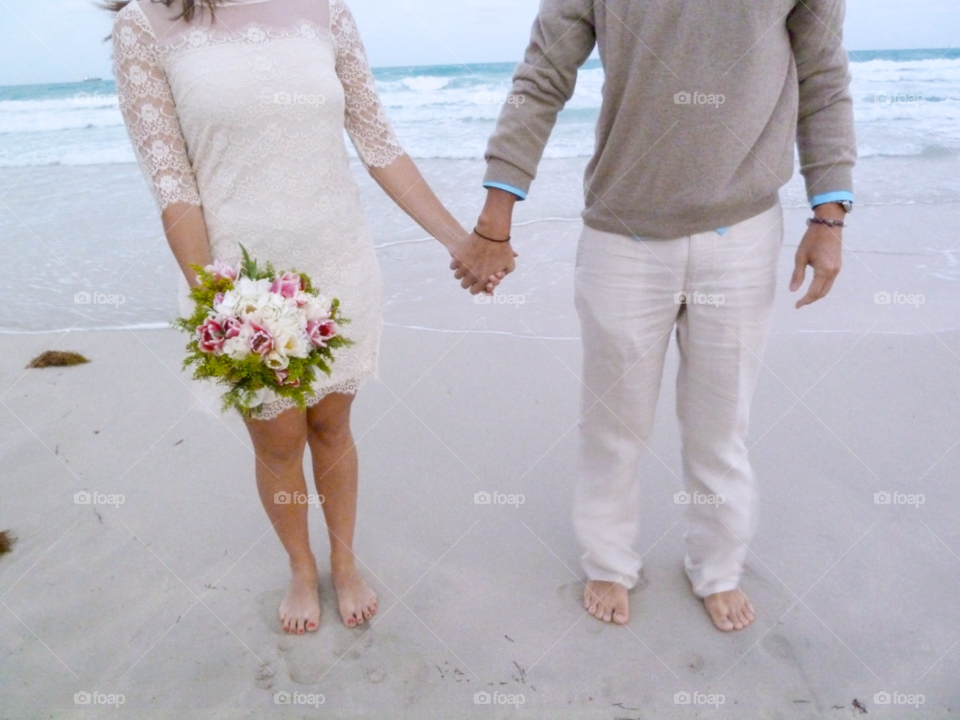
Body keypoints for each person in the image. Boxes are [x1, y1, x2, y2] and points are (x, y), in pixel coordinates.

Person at [454, 0, 855, 631]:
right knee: (614, 426)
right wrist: (494, 217)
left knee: (720, 426)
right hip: (623, 233)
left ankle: (718, 568)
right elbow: (543, 74)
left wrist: (829, 214)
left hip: (745, 229)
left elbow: (823, 75)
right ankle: (610, 562)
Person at [109, 0, 502, 635]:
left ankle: (344, 562)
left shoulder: (325, 9)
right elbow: (172, 182)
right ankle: (300, 566)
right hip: (243, 282)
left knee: (330, 429)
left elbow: (379, 145)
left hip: (340, 262)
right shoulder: (145, 24)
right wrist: (218, 301)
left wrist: (459, 240)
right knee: (278, 441)